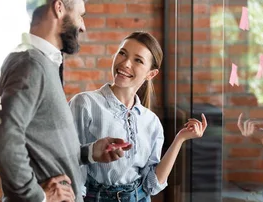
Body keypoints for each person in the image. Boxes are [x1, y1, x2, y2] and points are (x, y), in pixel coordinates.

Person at [0, 1, 132, 202]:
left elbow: (42, 144)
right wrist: (38, 197)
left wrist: (90, 152)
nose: (83, 26)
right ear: (59, 7)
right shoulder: (31, 64)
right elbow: (2, 138)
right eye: (80, 15)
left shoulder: (42, 62)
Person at [68, 31, 208, 202]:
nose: (125, 63)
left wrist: (180, 139)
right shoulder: (85, 104)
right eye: (122, 53)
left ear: (151, 74)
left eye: (138, 60)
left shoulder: (151, 122)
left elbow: (152, 184)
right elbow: (70, 162)